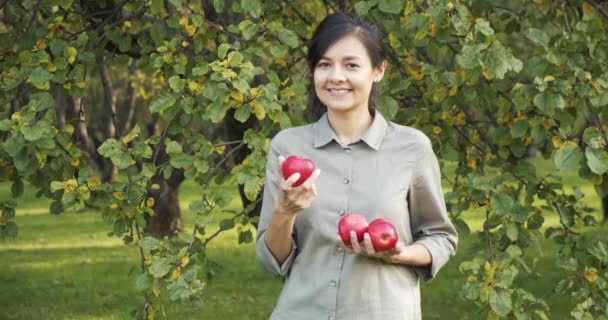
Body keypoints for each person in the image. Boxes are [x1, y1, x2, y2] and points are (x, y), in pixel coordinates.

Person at [256, 12, 458, 320]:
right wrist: (285, 212)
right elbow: (273, 260)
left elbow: (440, 237)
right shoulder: (288, 148)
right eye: (324, 64)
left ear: (378, 70)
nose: (336, 76)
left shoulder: (411, 148)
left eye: (351, 65)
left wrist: (400, 254)